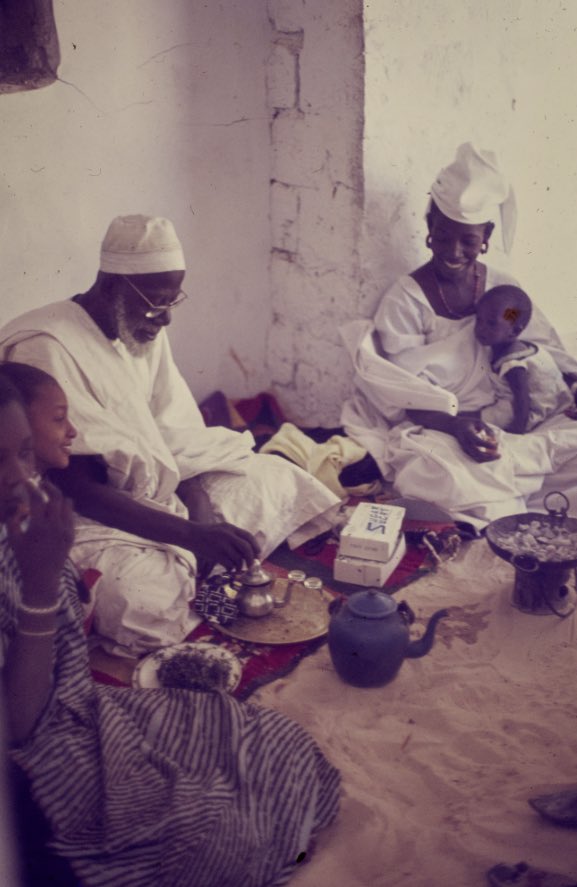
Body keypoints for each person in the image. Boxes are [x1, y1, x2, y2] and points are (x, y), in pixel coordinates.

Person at [0, 371, 340, 886]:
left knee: (271, 740)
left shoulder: (23, 519)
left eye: (24, 453)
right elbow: (19, 727)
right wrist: (45, 587)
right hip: (46, 763)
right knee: (224, 833)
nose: (15, 475)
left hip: (90, 712)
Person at [0, 215, 340, 656]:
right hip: (82, 515)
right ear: (110, 286)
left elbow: (174, 432)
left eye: (172, 302)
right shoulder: (46, 345)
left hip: (159, 493)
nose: (165, 319)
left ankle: (199, 571)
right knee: (143, 599)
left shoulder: (142, 329)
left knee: (277, 476)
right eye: (155, 302)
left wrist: (197, 507)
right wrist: (193, 534)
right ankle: (195, 573)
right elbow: (74, 487)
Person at [340, 142, 577, 528]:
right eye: (444, 235)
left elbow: (540, 345)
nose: (454, 250)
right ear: (429, 227)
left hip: (516, 412)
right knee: (437, 474)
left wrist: (574, 380)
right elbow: (403, 394)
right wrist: (456, 425)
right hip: (441, 425)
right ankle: (502, 510)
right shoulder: (406, 300)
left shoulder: (504, 290)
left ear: (485, 236)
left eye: (468, 240)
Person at [475, 285, 576, 434]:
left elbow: (522, 400)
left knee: (486, 416)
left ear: (514, 331)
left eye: (491, 323)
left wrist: (518, 431)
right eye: (479, 320)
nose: (480, 328)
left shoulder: (513, 363)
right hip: (560, 399)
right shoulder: (526, 346)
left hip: (537, 410)